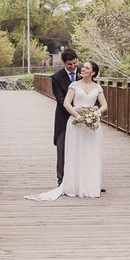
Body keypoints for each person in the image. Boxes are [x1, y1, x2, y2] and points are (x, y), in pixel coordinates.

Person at [25, 61, 108, 201]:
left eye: (87, 68)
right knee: (75, 153)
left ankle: (90, 185)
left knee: (90, 153)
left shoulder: (98, 87)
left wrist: (96, 114)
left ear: (93, 72)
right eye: (83, 67)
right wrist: (77, 115)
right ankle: (74, 185)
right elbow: (66, 103)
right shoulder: (74, 85)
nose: (83, 69)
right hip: (76, 123)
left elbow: (104, 105)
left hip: (92, 125)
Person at [51, 48, 80, 186]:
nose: (73, 67)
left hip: (83, 118)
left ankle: (83, 179)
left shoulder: (84, 72)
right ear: (64, 63)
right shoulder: (56, 77)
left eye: (75, 63)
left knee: (82, 148)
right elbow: (60, 99)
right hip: (63, 117)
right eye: (70, 64)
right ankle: (61, 180)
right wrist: (75, 111)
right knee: (62, 149)